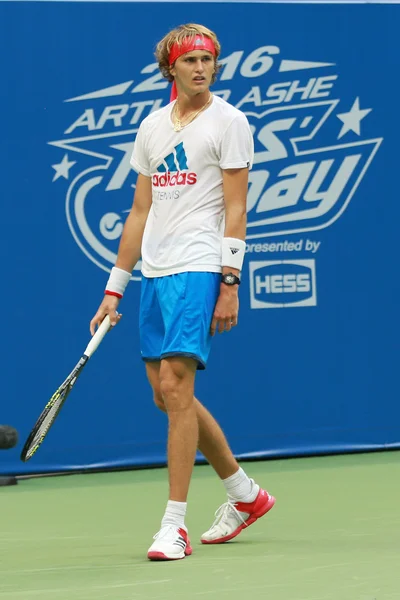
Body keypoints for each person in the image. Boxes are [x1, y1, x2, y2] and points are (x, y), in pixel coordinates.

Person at [90, 23, 275, 561]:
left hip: (200, 265)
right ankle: (244, 494)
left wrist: (230, 281)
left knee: (176, 384)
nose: (200, 68)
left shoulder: (231, 122)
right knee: (171, 396)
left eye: (208, 60)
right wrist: (114, 289)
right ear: (170, 67)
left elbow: (237, 209)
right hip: (156, 270)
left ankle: (174, 525)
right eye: (189, 60)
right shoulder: (150, 128)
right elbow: (139, 212)